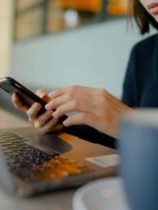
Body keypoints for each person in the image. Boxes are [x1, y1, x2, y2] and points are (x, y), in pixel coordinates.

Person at [12, 0, 158, 143]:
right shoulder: (142, 52)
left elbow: (128, 130)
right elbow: (119, 139)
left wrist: (131, 125)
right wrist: (61, 123)